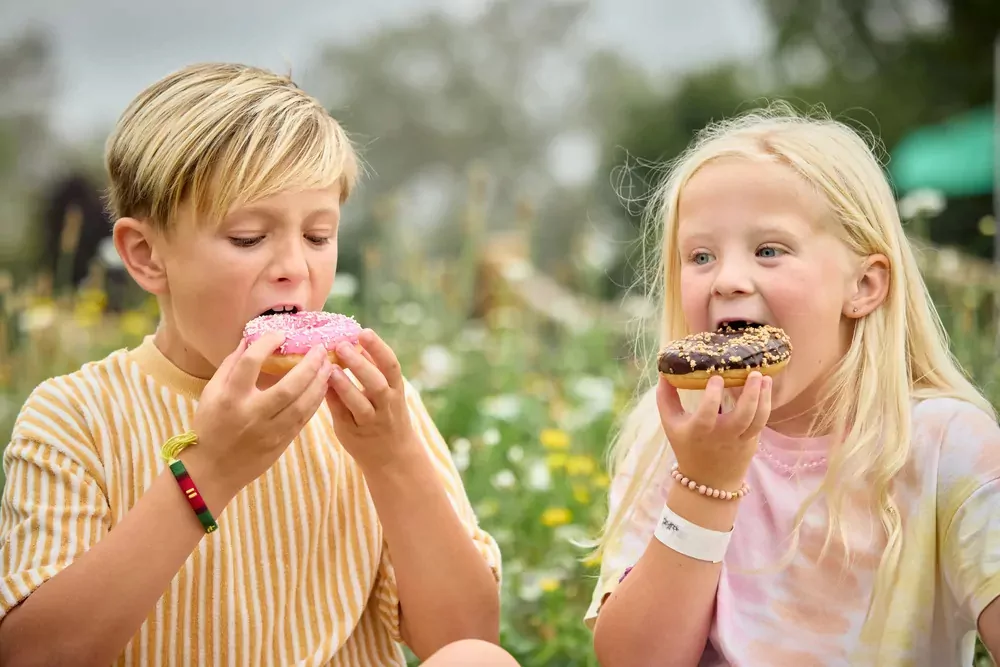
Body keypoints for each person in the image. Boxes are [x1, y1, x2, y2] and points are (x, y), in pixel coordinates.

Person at [0, 62, 517, 667]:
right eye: (248, 238)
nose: (294, 267)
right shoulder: (76, 416)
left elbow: (467, 635)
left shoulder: (369, 408)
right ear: (146, 257)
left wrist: (393, 456)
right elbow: (34, 655)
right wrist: (209, 472)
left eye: (319, 236)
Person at [585, 103, 1000, 666]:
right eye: (700, 256)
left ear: (865, 285)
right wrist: (704, 486)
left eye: (769, 251)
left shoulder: (945, 445)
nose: (728, 280)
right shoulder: (668, 444)